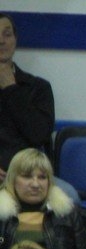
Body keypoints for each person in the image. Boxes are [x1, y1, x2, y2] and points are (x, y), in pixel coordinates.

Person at [0, 13, 54, 181]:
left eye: (7, 34)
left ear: (15, 40)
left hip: (30, 176)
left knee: (69, 194)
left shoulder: (39, 88)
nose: (1, 41)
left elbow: (39, 136)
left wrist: (11, 89)